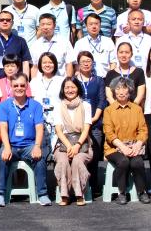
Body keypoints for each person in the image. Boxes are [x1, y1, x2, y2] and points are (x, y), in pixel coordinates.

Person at [0, 74, 52, 206]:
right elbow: (3, 128)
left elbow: (39, 128)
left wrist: (37, 146)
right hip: (11, 145)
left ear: (27, 86)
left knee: (40, 157)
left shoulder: (36, 105)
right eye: (16, 85)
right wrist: (7, 147)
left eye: (22, 85)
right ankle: (1, 194)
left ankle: (42, 194)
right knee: (2, 156)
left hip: (29, 145)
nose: (19, 88)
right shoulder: (3, 106)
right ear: (11, 87)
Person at [103, 80, 151, 204]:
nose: (121, 92)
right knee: (123, 161)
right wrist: (122, 147)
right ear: (114, 92)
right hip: (114, 148)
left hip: (134, 146)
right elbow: (109, 133)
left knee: (137, 163)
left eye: (124, 88)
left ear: (129, 91)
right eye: (118, 89)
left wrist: (138, 144)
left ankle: (142, 191)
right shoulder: (108, 110)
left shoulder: (137, 109)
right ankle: (121, 192)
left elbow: (143, 130)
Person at [72, 50, 109, 198]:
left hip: (95, 123)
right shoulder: (74, 80)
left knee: (93, 155)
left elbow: (102, 100)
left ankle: (93, 185)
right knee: (79, 154)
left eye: (89, 61)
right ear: (78, 64)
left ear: (93, 63)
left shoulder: (98, 80)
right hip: (78, 124)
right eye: (83, 62)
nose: (86, 64)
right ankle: (78, 185)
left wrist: (95, 117)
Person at [52, 76, 93, 206]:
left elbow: (86, 129)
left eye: (73, 87)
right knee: (62, 161)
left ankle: (79, 193)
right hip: (63, 143)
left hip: (82, 142)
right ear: (63, 90)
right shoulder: (58, 107)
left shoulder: (86, 106)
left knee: (77, 160)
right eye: (67, 87)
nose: (70, 90)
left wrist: (77, 146)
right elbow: (58, 130)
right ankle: (64, 194)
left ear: (78, 88)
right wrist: (70, 146)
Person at [0, 10, 32, 80]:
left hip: (16, 81)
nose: (5, 22)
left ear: (12, 22)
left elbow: (25, 63)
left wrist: (25, 80)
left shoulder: (21, 41)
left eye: (8, 20)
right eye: (1, 20)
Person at [27, 13, 74, 78]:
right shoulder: (35, 45)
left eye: (48, 24)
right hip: (41, 82)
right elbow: (34, 67)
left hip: (60, 81)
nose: (45, 27)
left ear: (54, 26)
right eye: (42, 24)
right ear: (39, 26)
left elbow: (69, 64)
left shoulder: (64, 42)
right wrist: (34, 82)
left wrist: (68, 81)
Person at [70, 13, 117, 78]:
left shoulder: (108, 41)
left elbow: (113, 62)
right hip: (86, 79)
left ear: (100, 25)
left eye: (96, 24)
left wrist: (110, 78)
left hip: (105, 78)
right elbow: (76, 64)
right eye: (91, 24)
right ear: (86, 26)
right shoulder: (79, 43)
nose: (94, 26)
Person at [105, 42, 147, 107]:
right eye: (121, 52)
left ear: (131, 54)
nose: (124, 55)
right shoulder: (110, 73)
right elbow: (109, 95)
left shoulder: (139, 72)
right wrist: (117, 107)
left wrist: (131, 108)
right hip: (115, 109)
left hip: (134, 109)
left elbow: (140, 94)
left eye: (127, 52)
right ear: (117, 54)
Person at [32, 53, 65, 127]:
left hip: (58, 121)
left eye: (50, 62)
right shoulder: (34, 82)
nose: (47, 65)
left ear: (55, 64)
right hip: (38, 121)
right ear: (40, 65)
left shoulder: (62, 81)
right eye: (44, 63)